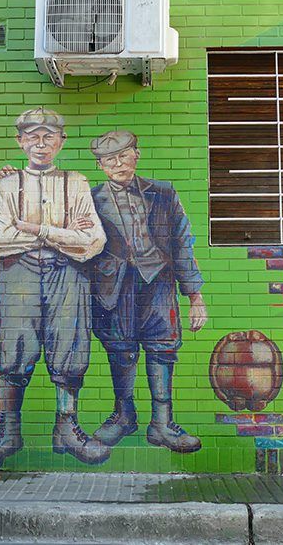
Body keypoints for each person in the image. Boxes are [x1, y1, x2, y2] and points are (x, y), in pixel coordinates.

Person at [0, 108, 109, 469]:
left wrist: (37, 231)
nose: (41, 143)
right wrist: (66, 234)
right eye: (32, 136)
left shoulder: (76, 182)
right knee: (14, 346)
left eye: (49, 136)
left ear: (61, 142)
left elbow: (93, 241)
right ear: (20, 141)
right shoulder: (3, 184)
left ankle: (67, 427)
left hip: (69, 273)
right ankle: (8, 431)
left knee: (70, 346)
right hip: (19, 273)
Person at [87, 130, 207, 453]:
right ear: (100, 165)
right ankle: (124, 415)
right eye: (109, 159)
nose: (118, 164)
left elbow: (183, 244)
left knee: (163, 349)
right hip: (113, 286)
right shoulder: (91, 199)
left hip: (159, 282)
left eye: (124, 155)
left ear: (136, 155)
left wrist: (195, 296)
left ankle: (162, 424)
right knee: (120, 349)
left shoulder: (164, 194)